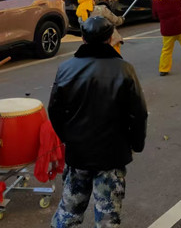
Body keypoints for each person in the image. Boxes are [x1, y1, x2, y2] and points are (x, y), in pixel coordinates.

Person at [48, 16, 148, 228]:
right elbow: (139, 113)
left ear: (82, 38)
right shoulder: (124, 69)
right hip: (112, 154)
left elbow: (55, 111)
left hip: (78, 153)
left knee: (68, 213)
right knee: (107, 217)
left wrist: (68, 138)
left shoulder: (66, 68)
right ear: (111, 38)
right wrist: (136, 144)